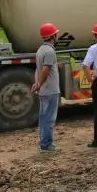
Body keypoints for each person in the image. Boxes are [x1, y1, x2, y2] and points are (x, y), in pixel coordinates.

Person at [32, 23, 61, 152]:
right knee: (49, 118)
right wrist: (39, 84)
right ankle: (46, 145)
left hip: (45, 90)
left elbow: (38, 69)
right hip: (50, 90)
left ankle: (44, 144)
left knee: (44, 117)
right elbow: (45, 70)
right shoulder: (50, 51)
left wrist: (37, 83)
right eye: (56, 34)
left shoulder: (41, 50)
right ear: (53, 36)